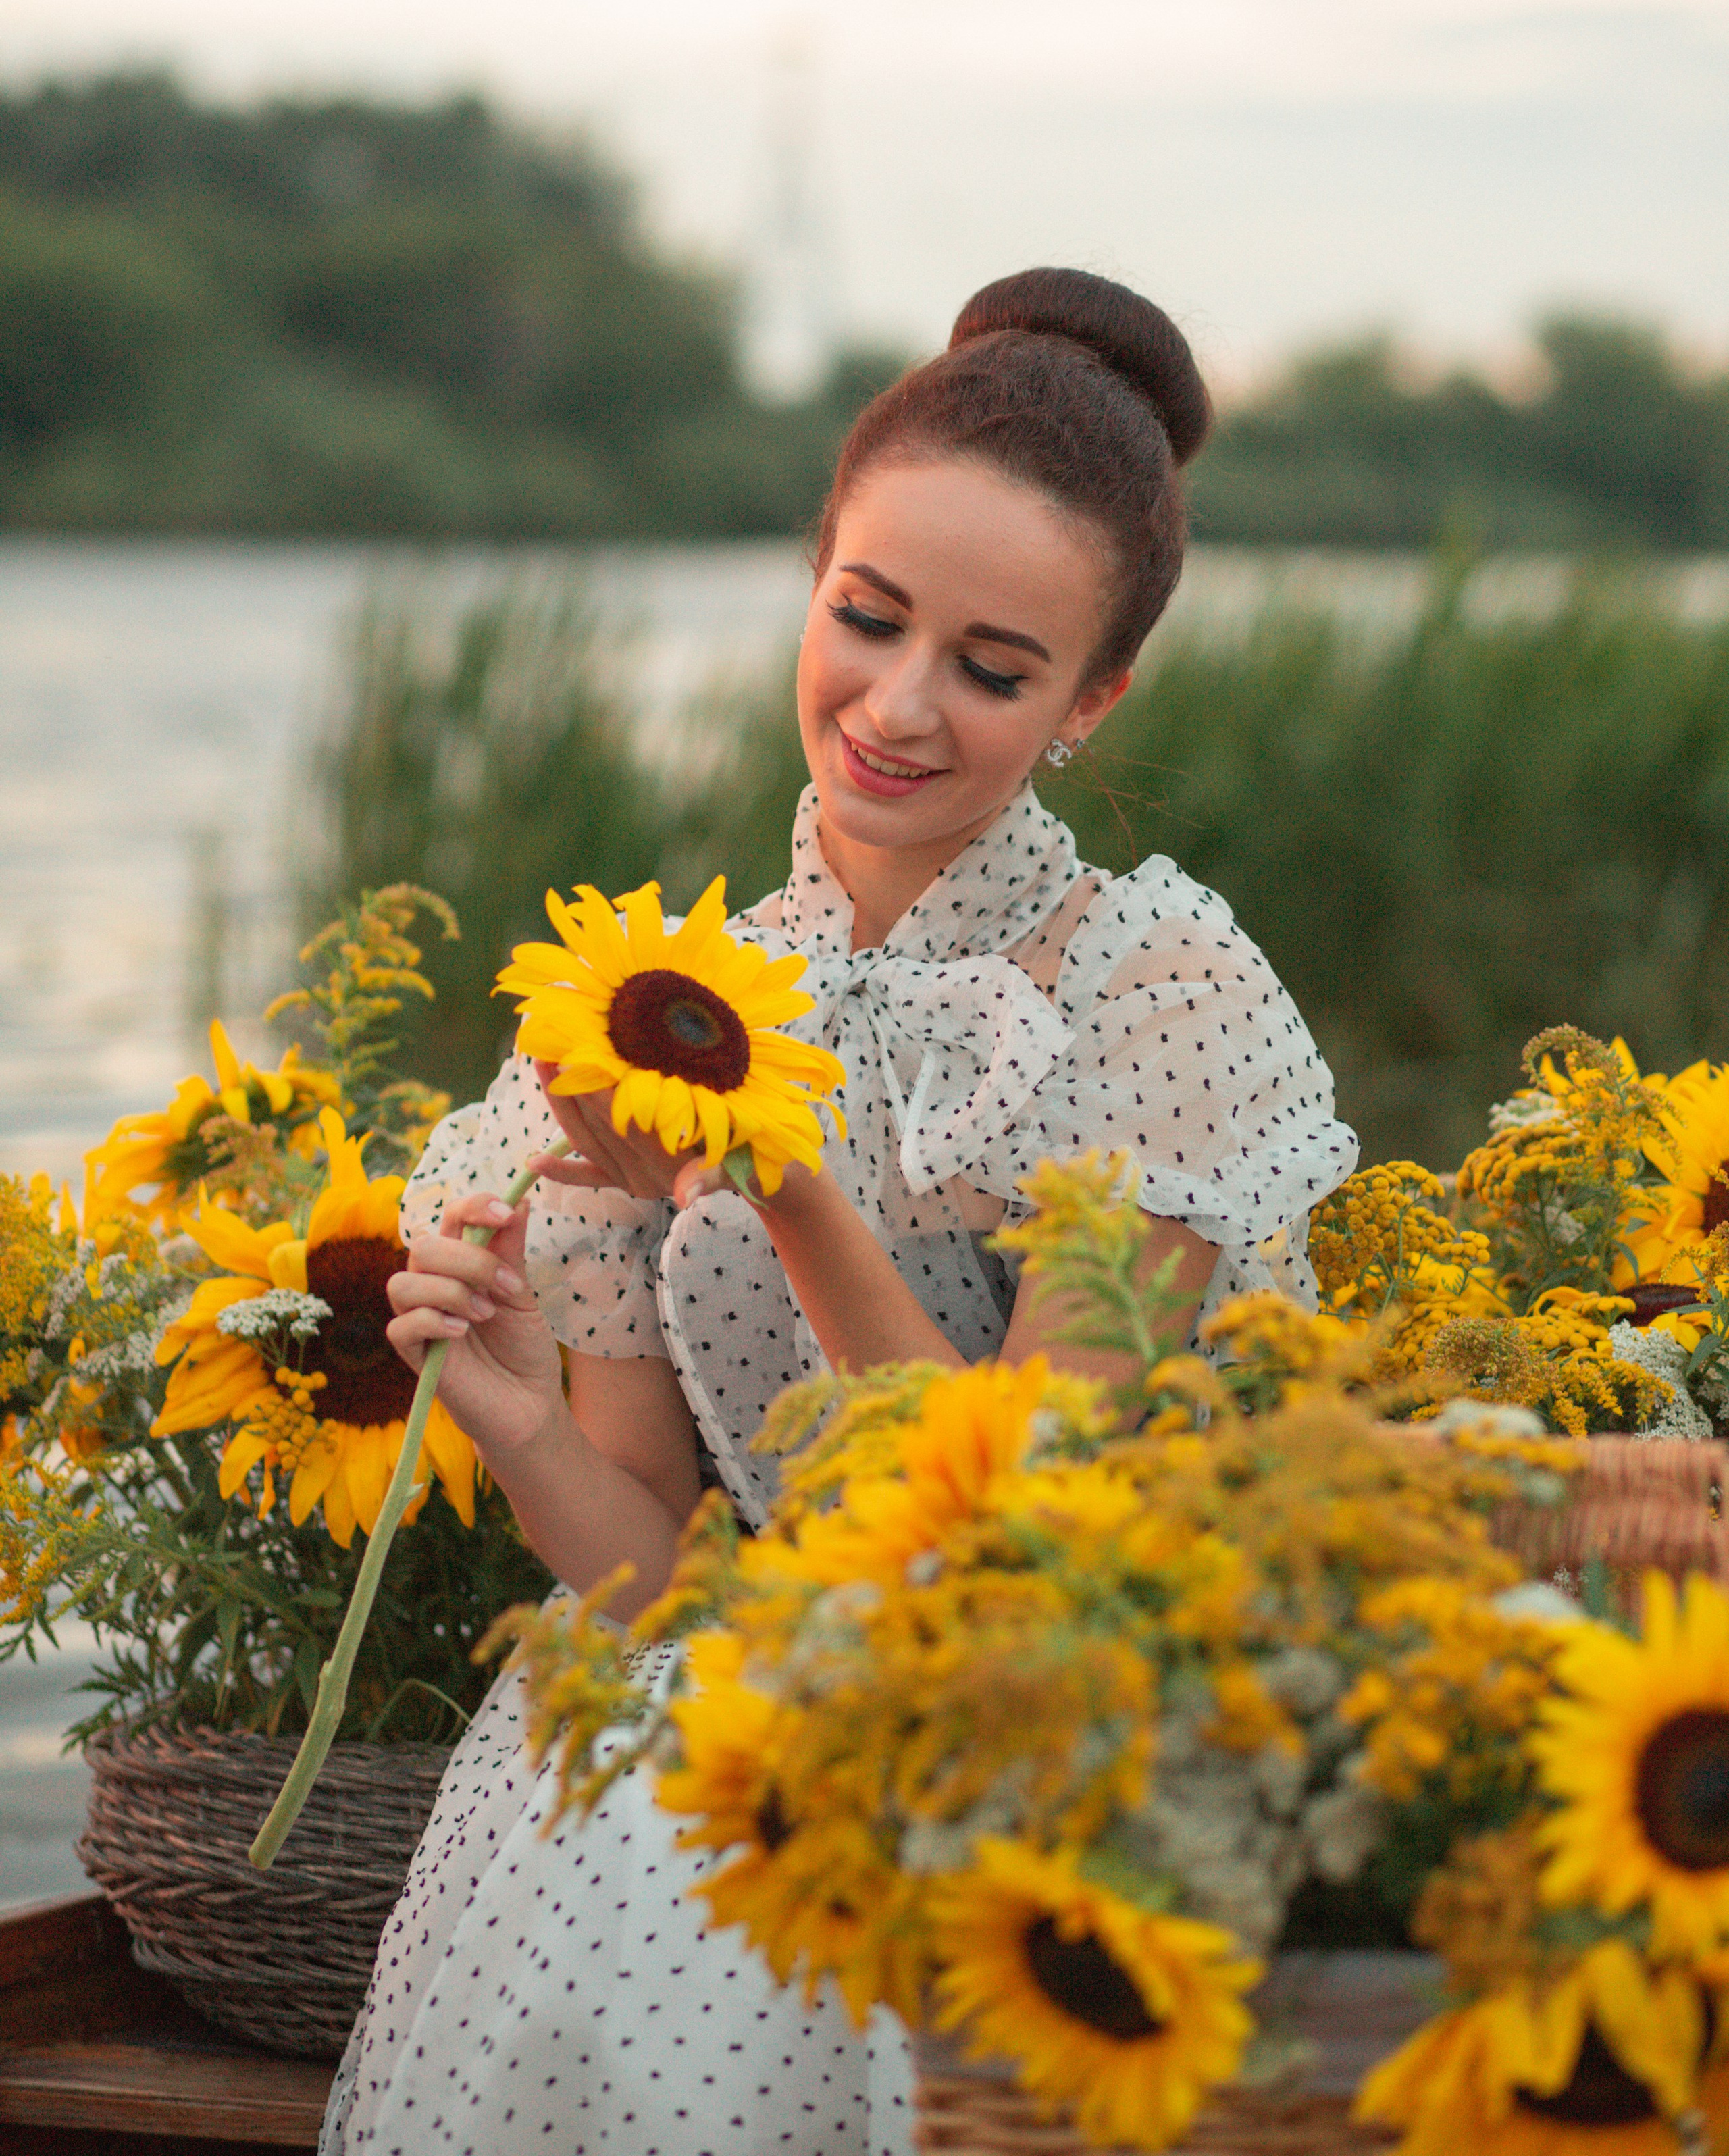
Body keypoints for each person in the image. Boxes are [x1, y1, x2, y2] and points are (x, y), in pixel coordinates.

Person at [320, 267, 1358, 2156]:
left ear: (1092, 698)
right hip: (732, 1698)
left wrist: (786, 1184)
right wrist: (517, 1411)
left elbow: (1017, 1536)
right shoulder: (680, 992)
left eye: (991, 664)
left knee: (688, 1829)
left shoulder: (1159, 992)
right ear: (813, 580)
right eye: (864, 619)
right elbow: (651, 1570)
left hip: (1034, 1710)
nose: (895, 707)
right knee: (614, 1781)